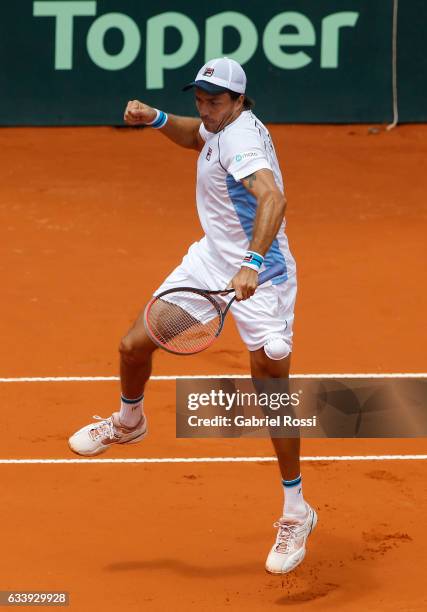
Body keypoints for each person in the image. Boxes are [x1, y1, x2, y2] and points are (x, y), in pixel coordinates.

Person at [68, 57, 317, 574]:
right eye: (199, 98)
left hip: (262, 278)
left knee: (271, 390)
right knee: (134, 345)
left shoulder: (243, 141)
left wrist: (251, 262)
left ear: (240, 101)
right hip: (209, 262)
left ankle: (297, 510)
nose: (204, 108)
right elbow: (196, 136)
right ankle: (129, 421)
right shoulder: (217, 126)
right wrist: (157, 118)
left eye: (215, 101)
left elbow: (274, 196)